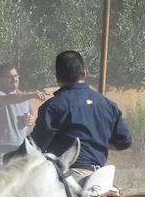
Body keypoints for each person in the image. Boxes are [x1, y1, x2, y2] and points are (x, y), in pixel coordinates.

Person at [31, 49, 133, 181]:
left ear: (57, 77)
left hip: (68, 176)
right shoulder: (108, 105)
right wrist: (97, 142)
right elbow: (124, 141)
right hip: (102, 177)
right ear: (85, 73)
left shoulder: (53, 106)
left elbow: (36, 146)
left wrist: (12, 156)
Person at [0, 63, 50, 170]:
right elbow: (11, 99)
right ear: (0, 79)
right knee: (3, 182)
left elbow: (30, 115)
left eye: (16, 76)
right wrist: (32, 94)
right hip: (1, 149)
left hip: (21, 148)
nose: (14, 79)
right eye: (9, 77)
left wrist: (29, 119)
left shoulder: (23, 97)